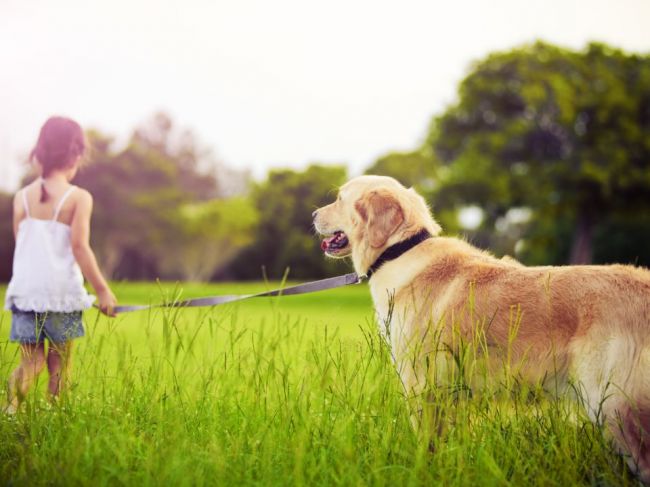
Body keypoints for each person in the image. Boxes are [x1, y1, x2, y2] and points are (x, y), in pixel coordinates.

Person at [4, 116, 117, 413]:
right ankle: (55, 420)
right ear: (76, 155)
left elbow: (23, 245)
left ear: (38, 154)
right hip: (60, 296)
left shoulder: (21, 198)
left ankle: (8, 412)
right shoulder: (78, 197)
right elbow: (80, 247)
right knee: (59, 366)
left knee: (31, 362)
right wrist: (103, 291)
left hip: (26, 293)